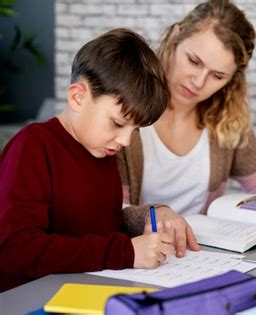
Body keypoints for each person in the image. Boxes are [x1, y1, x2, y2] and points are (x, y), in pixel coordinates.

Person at [118, 0, 256, 254]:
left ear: (232, 79)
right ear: (176, 37)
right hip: (136, 257)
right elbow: (109, 208)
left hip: (198, 256)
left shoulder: (224, 116)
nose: (198, 82)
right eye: (194, 61)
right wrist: (153, 214)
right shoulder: (125, 104)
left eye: (217, 76)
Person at [0, 28, 178, 292]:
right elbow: (16, 248)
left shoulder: (102, 151)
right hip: (29, 299)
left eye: (135, 130)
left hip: (88, 292)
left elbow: (96, 237)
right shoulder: (33, 146)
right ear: (78, 97)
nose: (125, 141)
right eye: (118, 123)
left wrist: (142, 240)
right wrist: (125, 252)